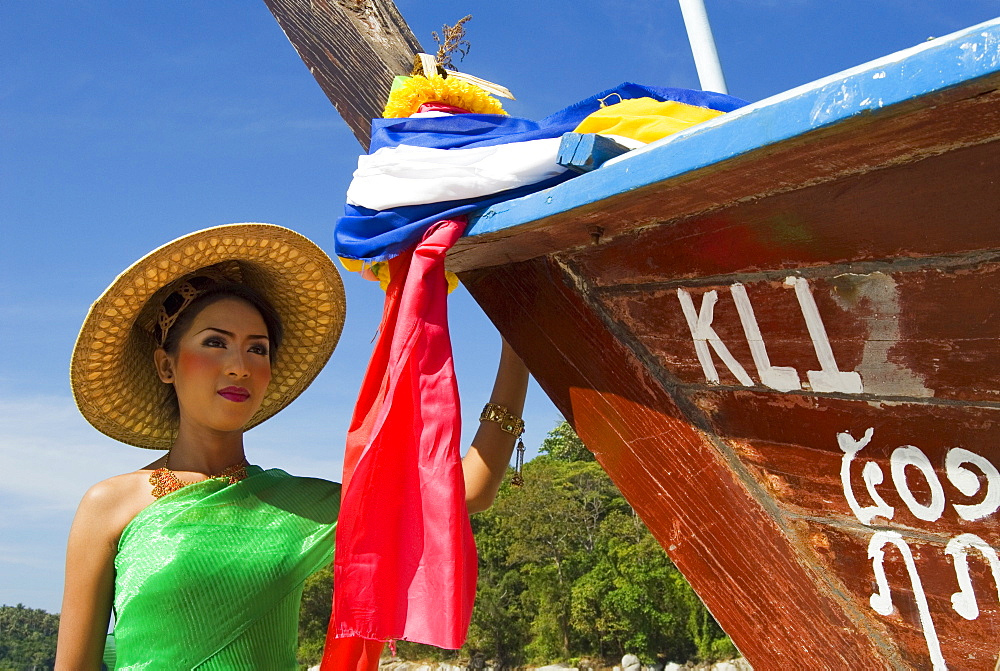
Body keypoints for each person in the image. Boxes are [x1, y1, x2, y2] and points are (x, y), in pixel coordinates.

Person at [55, 223, 528, 670]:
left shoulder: (302, 506)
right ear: (166, 365)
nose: (239, 365)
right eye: (215, 343)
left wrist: (522, 347)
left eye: (256, 348)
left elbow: (468, 490)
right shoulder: (109, 506)